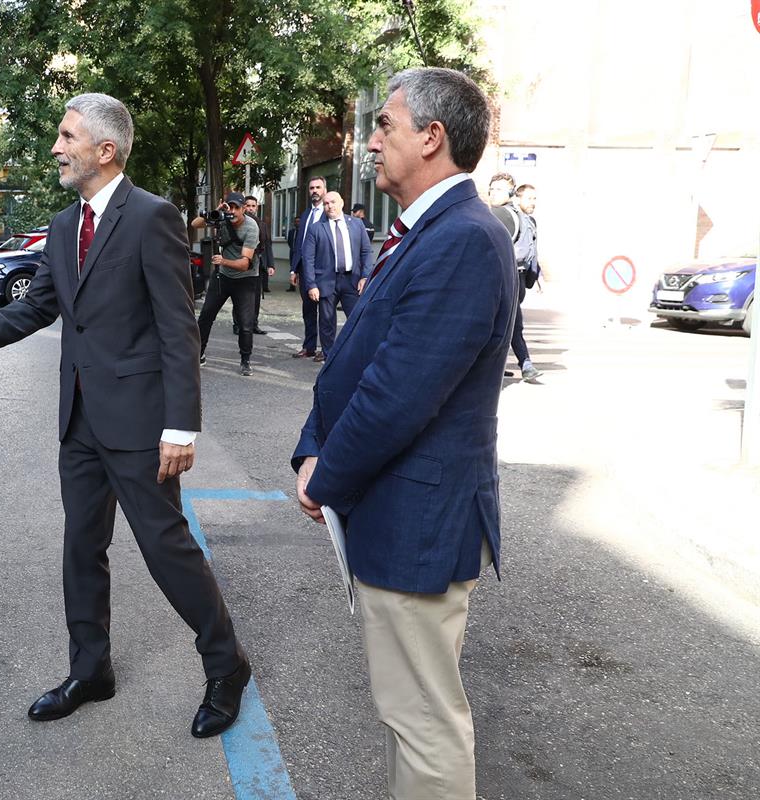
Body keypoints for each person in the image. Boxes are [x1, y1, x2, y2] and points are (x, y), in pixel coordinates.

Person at [0, 93, 250, 739]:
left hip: (138, 423)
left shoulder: (150, 217)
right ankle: (91, 669)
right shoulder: (59, 225)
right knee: (82, 547)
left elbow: (175, 326)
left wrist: (180, 425)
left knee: (166, 548)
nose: (56, 146)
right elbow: (38, 308)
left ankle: (226, 665)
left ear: (104, 150)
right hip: (78, 419)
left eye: (66, 136)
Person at [292, 67, 516, 800]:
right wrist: (311, 444)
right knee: (406, 714)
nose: (368, 140)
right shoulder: (431, 233)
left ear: (432, 138)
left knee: (422, 721)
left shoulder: (463, 241)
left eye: (384, 124)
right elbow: (359, 361)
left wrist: (324, 477)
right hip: (401, 517)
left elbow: (395, 397)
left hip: (419, 524)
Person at [193, 192, 261, 376]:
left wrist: (223, 261)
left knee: (246, 323)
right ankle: (198, 354)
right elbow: (195, 224)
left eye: (236, 208)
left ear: (243, 209)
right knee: (206, 315)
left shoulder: (251, 227)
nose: (232, 211)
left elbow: (244, 264)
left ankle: (245, 360)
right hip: (222, 277)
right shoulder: (221, 219)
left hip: (246, 278)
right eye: (229, 207)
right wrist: (214, 213)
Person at [301, 191, 373, 360]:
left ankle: (356, 355)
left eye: (333, 202)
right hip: (326, 281)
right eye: (326, 203)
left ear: (342, 203)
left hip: (352, 280)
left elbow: (366, 251)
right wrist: (311, 285)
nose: (329, 206)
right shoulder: (316, 228)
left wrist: (365, 276)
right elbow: (308, 259)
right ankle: (329, 356)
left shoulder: (356, 224)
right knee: (326, 322)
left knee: (357, 319)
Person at [489, 174, 541, 381]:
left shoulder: (500, 215)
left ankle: (509, 365)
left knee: (505, 324)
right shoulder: (516, 216)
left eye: (499, 190)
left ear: (511, 193)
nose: (493, 193)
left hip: (507, 278)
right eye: (491, 189)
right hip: (512, 277)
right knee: (509, 323)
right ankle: (524, 364)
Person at [289, 176, 327, 357]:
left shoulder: (330, 214)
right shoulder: (305, 215)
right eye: (312, 188)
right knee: (308, 310)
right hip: (305, 269)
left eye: (318, 187)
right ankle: (309, 346)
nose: (315, 191)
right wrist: (294, 269)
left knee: (326, 310)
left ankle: (326, 348)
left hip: (324, 269)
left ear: (324, 190)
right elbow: (299, 244)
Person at [239, 194, 275, 336]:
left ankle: (254, 324)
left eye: (253, 206)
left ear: (257, 208)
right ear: (243, 207)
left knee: (256, 297)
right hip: (242, 264)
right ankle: (239, 324)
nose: (250, 209)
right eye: (248, 206)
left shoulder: (262, 224)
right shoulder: (238, 223)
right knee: (241, 296)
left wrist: (270, 264)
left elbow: (268, 245)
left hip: (258, 265)